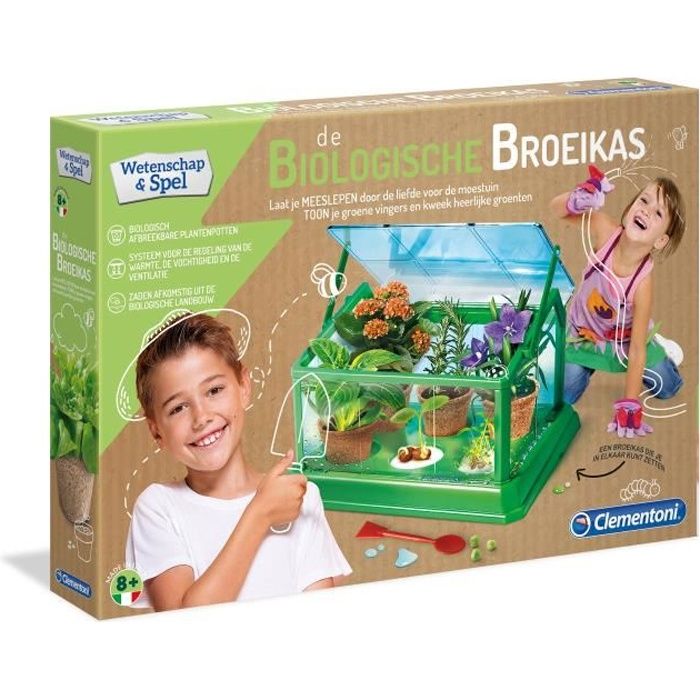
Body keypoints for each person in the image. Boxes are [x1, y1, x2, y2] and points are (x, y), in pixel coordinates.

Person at [125, 313, 351, 611]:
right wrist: (259, 515)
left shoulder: (298, 498)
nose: (201, 417)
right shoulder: (158, 508)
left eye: (214, 391)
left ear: (244, 385)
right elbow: (182, 620)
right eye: (178, 408)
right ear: (156, 431)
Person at [550, 166, 685, 437]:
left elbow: (635, 350)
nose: (646, 210)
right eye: (644, 200)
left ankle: (662, 349)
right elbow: (556, 210)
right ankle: (587, 364)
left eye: (658, 213)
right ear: (630, 207)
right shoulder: (604, 229)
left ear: (660, 240)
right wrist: (575, 199)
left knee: (667, 388)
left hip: (625, 341)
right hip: (584, 336)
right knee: (563, 395)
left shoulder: (643, 284)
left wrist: (630, 405)